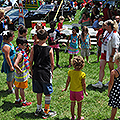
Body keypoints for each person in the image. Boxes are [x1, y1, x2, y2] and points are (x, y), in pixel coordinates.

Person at [29, 29, 56, 119]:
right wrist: (51, 72)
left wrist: (31, 71)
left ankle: (38, 109)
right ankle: (46, 111)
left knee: (39, 92)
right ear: (47, 38)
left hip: (36, 72)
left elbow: (30, 61)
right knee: (47, 93)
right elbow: (52, 63)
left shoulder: (33, 48)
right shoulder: (50, 49)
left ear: (37, 37)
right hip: (45, 73)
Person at [92, 20, 119, 88]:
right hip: (104, 52)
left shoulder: (114, 34)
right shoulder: (106, 32)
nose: (104, 26)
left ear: (109, 26)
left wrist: (111, 56)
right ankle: (100, 82)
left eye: (106, 25)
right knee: (101, 67)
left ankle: (112, 81)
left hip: (110, 53)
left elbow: (115, 46)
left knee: (111, 69)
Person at [62, 56, 88, 120]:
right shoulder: (82, 74)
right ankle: (79, 117)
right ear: (82, 65)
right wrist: (85, 91)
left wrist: (65, 88)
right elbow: (83, 84)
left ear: (73, 64)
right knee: (79, 105)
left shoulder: (70, 72)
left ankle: (73, 117)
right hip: (79, 92)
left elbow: (68, 81)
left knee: (72, 104)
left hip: (72, 91)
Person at [14, 37, 32, 106]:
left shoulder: (17, 50)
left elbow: (13, 59)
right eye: (24, 45)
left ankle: (17, 99)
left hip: (17, 75)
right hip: (22, 75)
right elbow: (15, 64)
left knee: (16, 87)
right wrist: (20, 70)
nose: (25, 46)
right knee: (22, 89)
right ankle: (24, 101)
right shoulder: (20, 54)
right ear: (19, 44)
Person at [108, 52, 120, 120]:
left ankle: (112, 118)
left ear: (117, 61)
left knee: (114, 106)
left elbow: (111, 83)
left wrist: (109, 91)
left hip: (116, 91)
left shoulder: (114, 72)